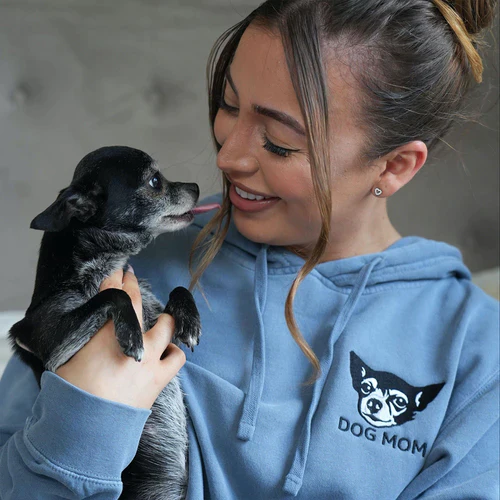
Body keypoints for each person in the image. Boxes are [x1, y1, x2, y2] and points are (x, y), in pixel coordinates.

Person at [1, 0, 498, 498]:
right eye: (229, 105)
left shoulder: (476, 353)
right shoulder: (132, 261)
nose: (228, 155)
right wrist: (83, 418)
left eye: (280, 142)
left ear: (393, 167)